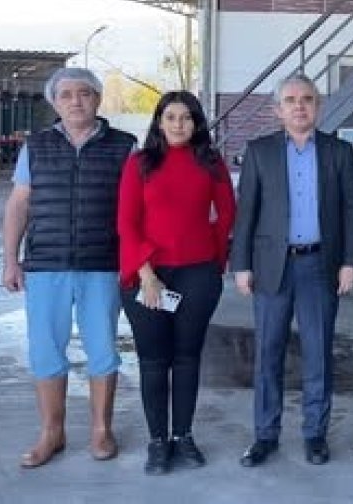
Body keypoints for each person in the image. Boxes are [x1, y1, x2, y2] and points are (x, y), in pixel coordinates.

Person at [1, 67, 137, 469]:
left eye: (84, 93)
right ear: (54, 103)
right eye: (66, 95)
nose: (76, 101)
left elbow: (137, 209)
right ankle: (52, 433)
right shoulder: (36, 146)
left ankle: (101, 430)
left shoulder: (124, 146)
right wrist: (10, 260)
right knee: (45, 350)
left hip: (103, 265)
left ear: (98, 98)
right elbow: (19, 203)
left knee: (103, 349)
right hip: (46, 265)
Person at [231, 75, 353, 468]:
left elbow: (352, 211)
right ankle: (265, 435)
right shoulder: (259, 152)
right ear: (278, 109)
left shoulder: (339, 152)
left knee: (318, 353)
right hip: (271, 267)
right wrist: (241, 264)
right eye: (290, 100)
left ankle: (314, 434)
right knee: (267, 353)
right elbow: (246, 212)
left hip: (320, 266)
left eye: (307, 99)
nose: (299, 106)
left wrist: (351, 261)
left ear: (318, 106)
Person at [118, 91, 235, 475]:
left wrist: (212, 262)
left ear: (196, 122)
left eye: (186, 117)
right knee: (153, 360)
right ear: (159, 122)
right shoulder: (140, 163)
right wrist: (146, 275)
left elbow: (227, 214)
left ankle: (183, 436)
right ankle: (158, 441)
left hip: (197, 274)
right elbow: (127, 223)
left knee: (187, 358)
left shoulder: (211, 162)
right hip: (147, 275)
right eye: (171, 117)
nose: (179, 124)